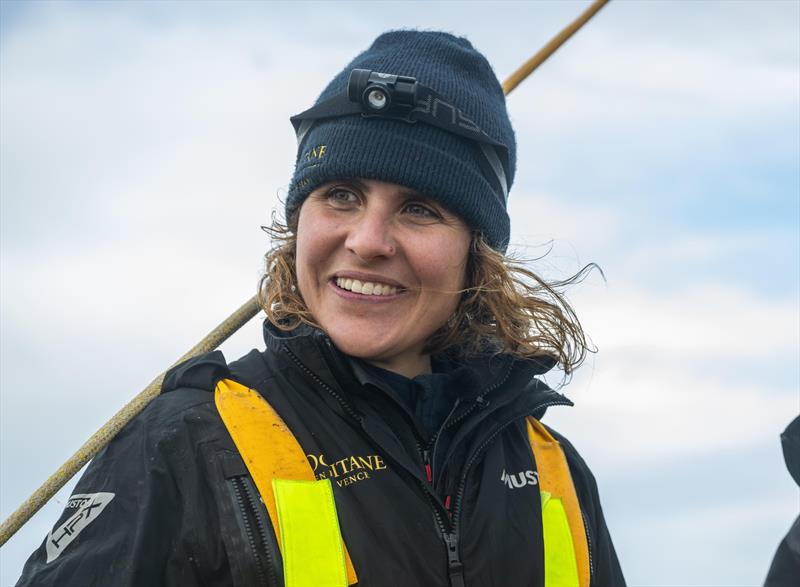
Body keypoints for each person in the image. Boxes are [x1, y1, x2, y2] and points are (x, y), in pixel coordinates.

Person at [17, 31, 625, 586]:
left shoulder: (555, 475)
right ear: (298, 222)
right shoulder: (186, 442)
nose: (367, 241)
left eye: (419, 209)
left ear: (477, 253)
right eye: (341, 196)